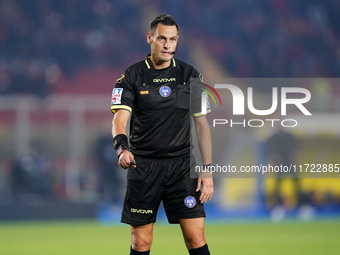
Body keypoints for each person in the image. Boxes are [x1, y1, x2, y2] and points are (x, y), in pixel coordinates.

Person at [111, 14, 213, 255]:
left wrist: (207, 169)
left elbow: (202, 125)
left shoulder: (191, 76)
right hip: (143, 168)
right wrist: (122, 148)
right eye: (162, 39)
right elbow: (119, 120)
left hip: (182, 168)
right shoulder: (131, 77)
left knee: (196, 238)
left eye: (173, 39)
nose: (168, 45)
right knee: (141, 243)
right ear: (150, 38)